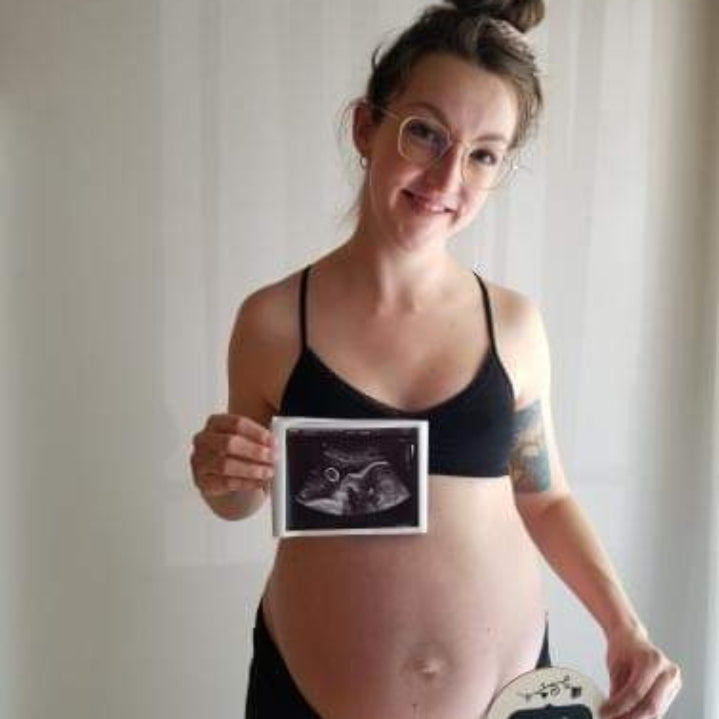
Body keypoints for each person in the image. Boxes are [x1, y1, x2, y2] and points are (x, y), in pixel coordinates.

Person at [189, 1, 682, 717]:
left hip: (512, 700)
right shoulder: (272, 322)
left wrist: (624, 626)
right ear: (366, 126)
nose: (448, 175)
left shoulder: (513, 327)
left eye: (483, 153)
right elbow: (242, 496)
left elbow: (543, 495)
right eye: (425, 132)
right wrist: (221, 475)